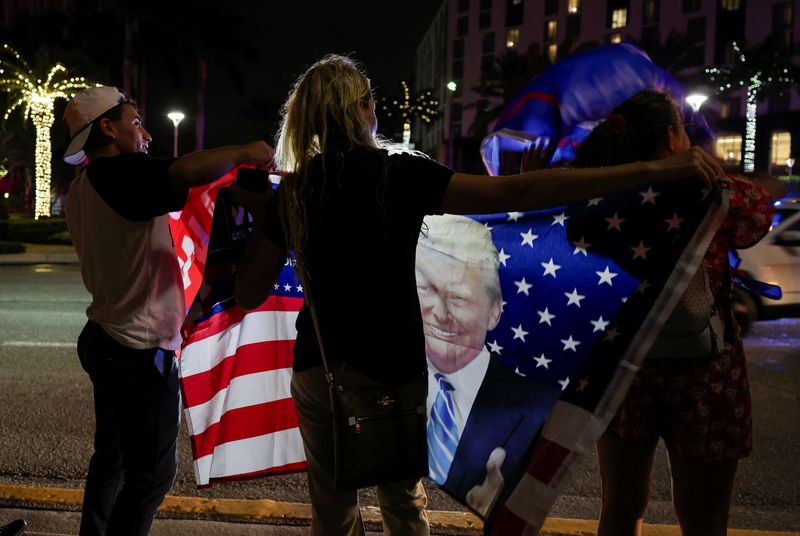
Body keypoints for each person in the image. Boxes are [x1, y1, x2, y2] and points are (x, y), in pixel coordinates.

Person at [232, 55, 723, 536]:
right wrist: (650, 171)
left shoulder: (293, 193)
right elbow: (517, 196)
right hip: (391, 371)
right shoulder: (397, 175)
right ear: (361, 110)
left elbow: (249, 292)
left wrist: (264, 217)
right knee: (403, 505)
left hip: (320, 371)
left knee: (331, 511)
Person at [573, 89, 785, 536]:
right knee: (704, 519)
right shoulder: (716, 193)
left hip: (625, 370)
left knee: (620, 509)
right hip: (707, 374)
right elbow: (760, 213)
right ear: (672, 138)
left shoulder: (596, 197)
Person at [63, 86, 273, 536]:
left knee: (113, 460)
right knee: (150, 477)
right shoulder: (117, 176)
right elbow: (186, 171)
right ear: (108, 128)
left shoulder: (85, 185)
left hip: (107, 337)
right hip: (137, 350)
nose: (147, 134)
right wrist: (247, 151)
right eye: (136, 122)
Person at [415, 214, 559, 515]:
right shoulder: (385, 381)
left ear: (494, 312)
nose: (440, 312)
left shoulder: (537, 407)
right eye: (427, 288)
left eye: (459, 297)